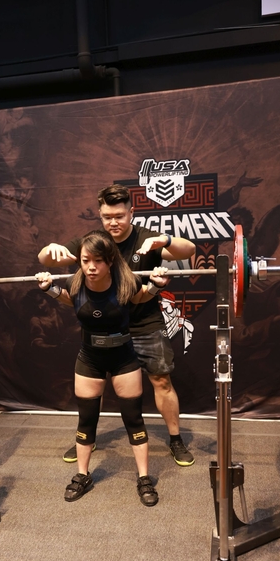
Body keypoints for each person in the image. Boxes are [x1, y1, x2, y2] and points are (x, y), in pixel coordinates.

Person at [38, 184, 196, 466]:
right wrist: (50, 250)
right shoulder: (92, 241)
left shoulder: (147, 239)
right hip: (104, 326)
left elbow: (189, 250)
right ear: (100, 215)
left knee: (161, 381)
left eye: (119, 216)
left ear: (131, 213)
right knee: (93, 387)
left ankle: (175, 439)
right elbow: (44, 259)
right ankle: (87, 438)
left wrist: (165, 240)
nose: (113, 222)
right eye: (107, 216)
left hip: (144, 323)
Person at [36, 229, 170, 506]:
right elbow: (70, 298)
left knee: (133, 419)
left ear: (110, 261)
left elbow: (140, 297)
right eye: (86, 261)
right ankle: (82, 475)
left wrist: (156, 285)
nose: (91, 267)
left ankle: (144, 477)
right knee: (86, 420)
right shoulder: (75, 283)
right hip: (90, 358)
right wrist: (50, 288)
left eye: (97, 261)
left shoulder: (126, 282)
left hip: (124, 358)